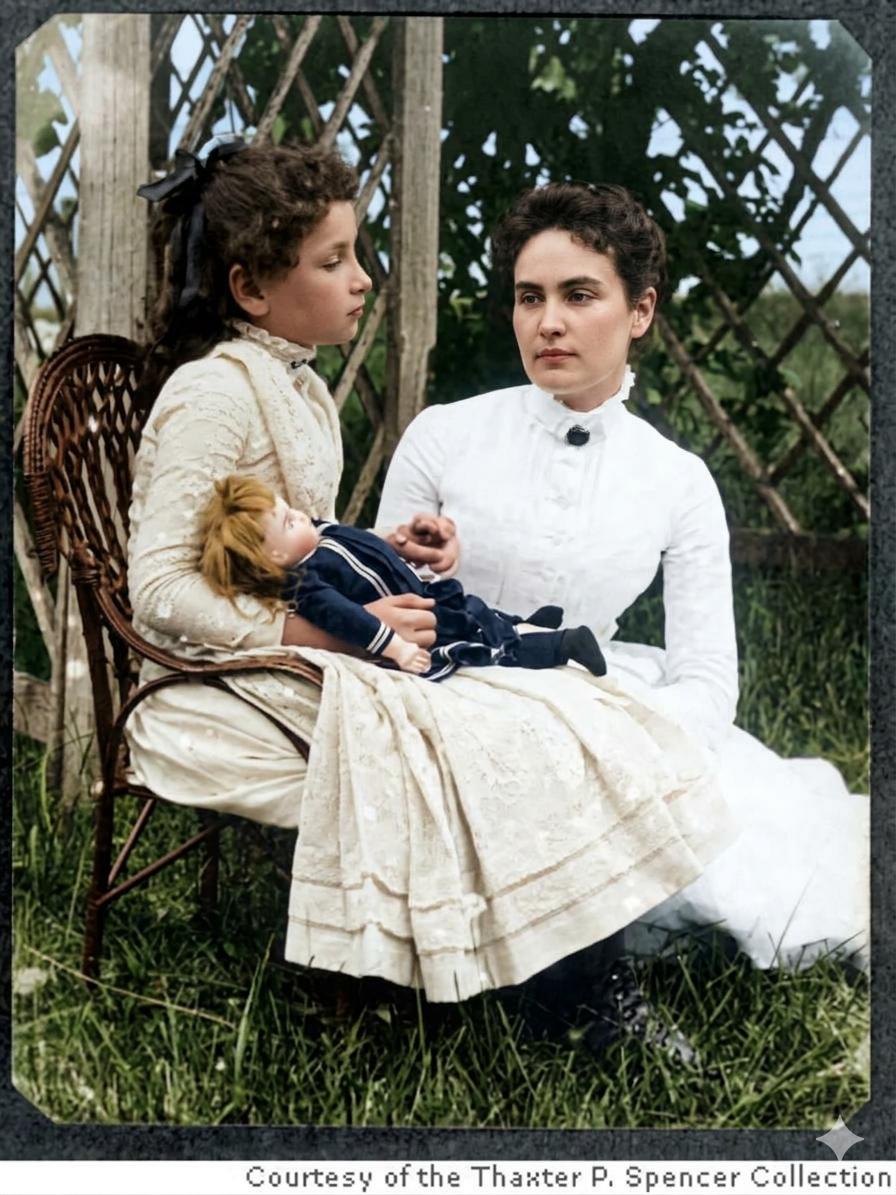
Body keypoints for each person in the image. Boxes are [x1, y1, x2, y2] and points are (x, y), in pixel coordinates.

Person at [127, 140, 737, 1025]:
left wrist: (384, 547)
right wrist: (321, 633)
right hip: (222, 673)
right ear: (251, 289)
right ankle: (540, 983)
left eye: (358, 255)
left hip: (309, 652)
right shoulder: (215, 394)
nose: (363, 279)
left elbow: (298, 547)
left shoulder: (298, 390)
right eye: (335, 261)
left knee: (534, 706)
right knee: (503, 715)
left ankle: (550, 970)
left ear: (640, 311)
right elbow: (155, 590)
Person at [377, 181, 869, 975]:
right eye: (529, 297)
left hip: (603, 713)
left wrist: (622, 743)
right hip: (446, 698)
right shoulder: (445, 436)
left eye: (579, 295)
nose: (549, 321)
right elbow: (380, 607)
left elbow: (708, 679)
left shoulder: (677, 480)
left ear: (640, 311)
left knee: (778, 870)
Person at [198, 473, 607, 681]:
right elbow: (350, 619)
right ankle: (559, 646)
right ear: (274, 556)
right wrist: (396, 648)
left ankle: (524, 622)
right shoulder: (306, 583)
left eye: (291, 510)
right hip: (415, 621)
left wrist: (398, 541)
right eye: (289, 522)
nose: (301, 517)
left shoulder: (319, 535)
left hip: (423, 592)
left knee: (476, 610)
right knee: (478, 642)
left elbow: (361, 545)